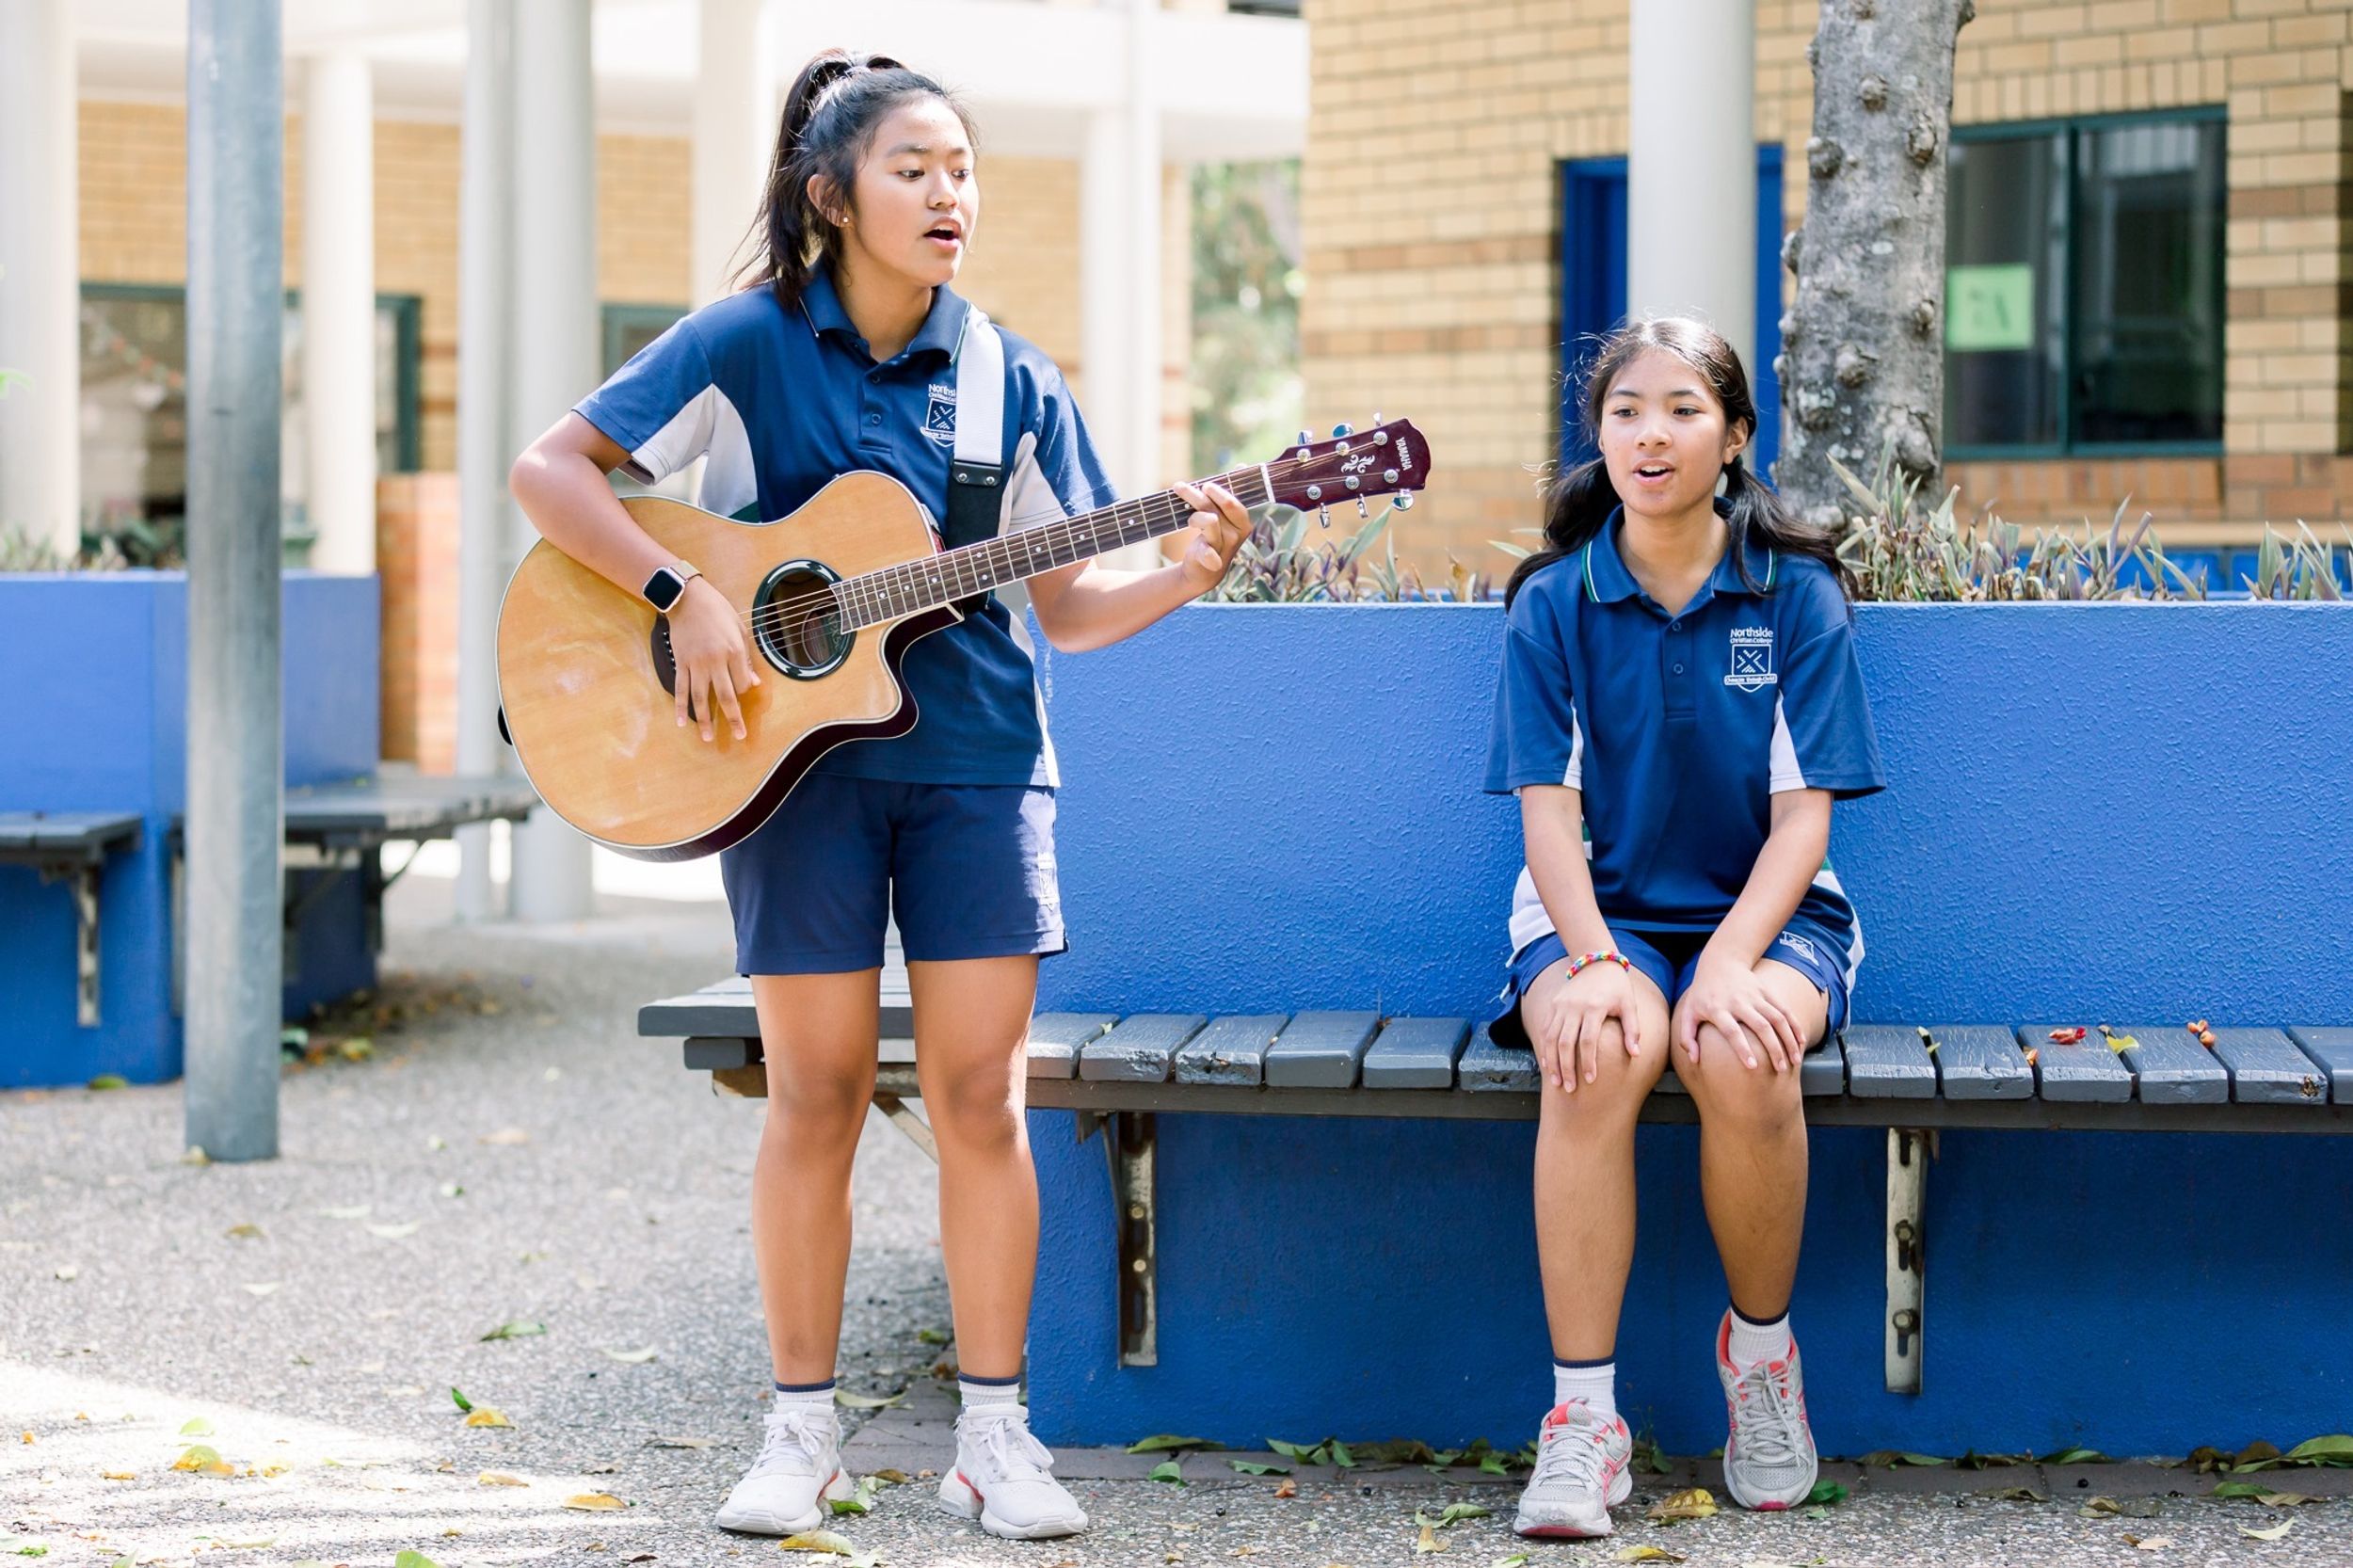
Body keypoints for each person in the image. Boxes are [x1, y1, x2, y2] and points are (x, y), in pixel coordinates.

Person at [507, 49, 1251, 1543]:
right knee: (817, 1092)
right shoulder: (744, 344)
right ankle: (800, 1432)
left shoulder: (1012, 379)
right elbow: (553, 472)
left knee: (983, 1097)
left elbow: (1070, 608)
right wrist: (683, 594)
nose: (947, 194)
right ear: (831, 196)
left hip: (979, 765)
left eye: (962, 170)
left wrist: (1182, 568)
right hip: (793, 776)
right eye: (914, 169)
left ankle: (995, 1436)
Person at [1484, 315, 1885, 1538]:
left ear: (1736, 436)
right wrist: (1597, 960)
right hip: (1593, 911)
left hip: (1767, 911)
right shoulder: (1554, 602)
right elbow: (1548, 820)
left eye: (1682, 410)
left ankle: (1761, 1363)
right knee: (1597, 1048)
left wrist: (1727, 963)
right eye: (1625, 413)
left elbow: (1804, 821)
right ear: (1599, 437)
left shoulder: (1797, 596)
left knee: (1741, 1048)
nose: (1650, 436)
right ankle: (1583, 1421)